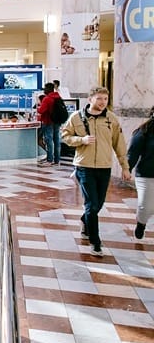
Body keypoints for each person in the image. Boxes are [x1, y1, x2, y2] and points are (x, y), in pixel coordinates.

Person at [61, 86, 132, 257]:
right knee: (92, 205)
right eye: (99, 99)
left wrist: (125, 167)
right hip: (84, 167)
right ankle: (95, 242)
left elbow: (119, 144)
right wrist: (81, 140)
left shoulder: (111, 119)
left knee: (98, 204)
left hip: (104, 167)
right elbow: (64, 136)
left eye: (105, 99)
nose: (102, 102)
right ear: (90, 99)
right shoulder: (76, 117)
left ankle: (85, 221)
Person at [127, 106, 154, 240]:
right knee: (145, 206)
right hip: (146, 174)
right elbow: (133, 152)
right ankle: (141, 223)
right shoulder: (144, 131)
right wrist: (127, 169)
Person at [37, 82, 63, 166]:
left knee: (49, 141)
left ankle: (49, 160)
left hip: (48, 121)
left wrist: (38, 106)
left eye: (45, 88)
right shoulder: (58, 97)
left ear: (48, 89)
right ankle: (57, 160)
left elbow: (41, 110)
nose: (44, 90)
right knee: (57, 140)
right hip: (57, 121)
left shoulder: (47, 99)